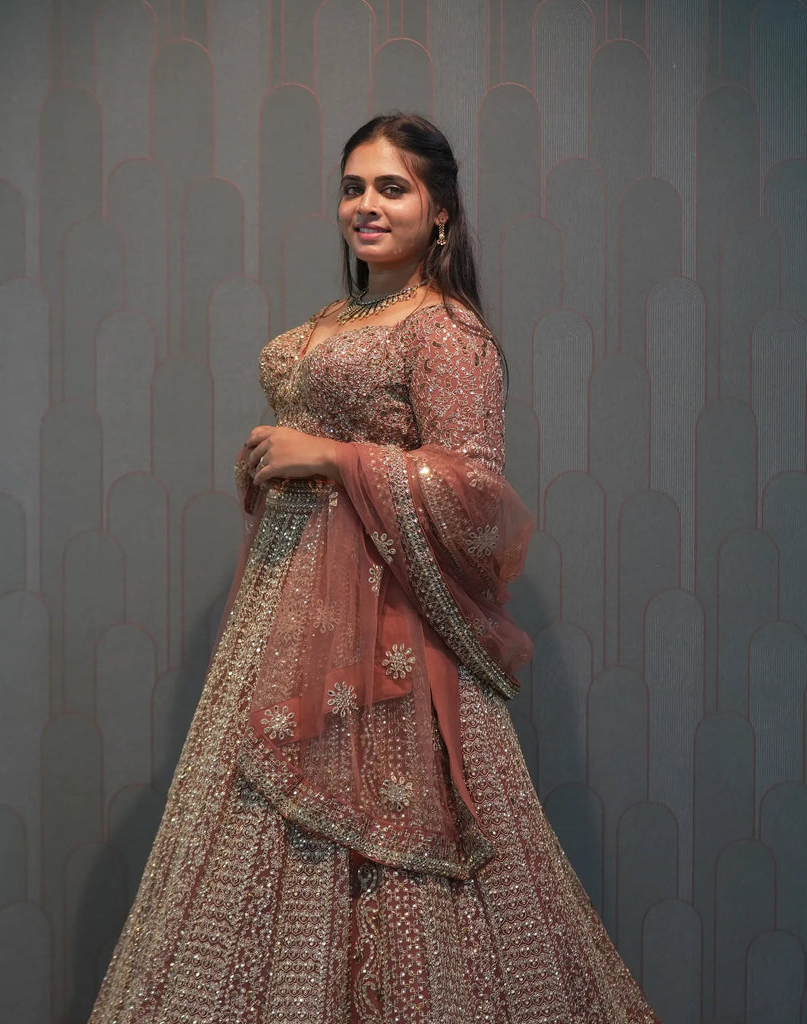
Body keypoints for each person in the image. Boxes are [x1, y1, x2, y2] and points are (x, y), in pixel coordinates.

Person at [89, 113, 661, 1023]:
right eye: (352, 187)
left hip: (389, 630)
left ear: (441, 211)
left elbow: (476, 492)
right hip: (285, 619)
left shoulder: (446, 331)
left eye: (391, 187)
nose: (365, 205)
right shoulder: (342, 318)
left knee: (398, 866)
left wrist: (331, 459)